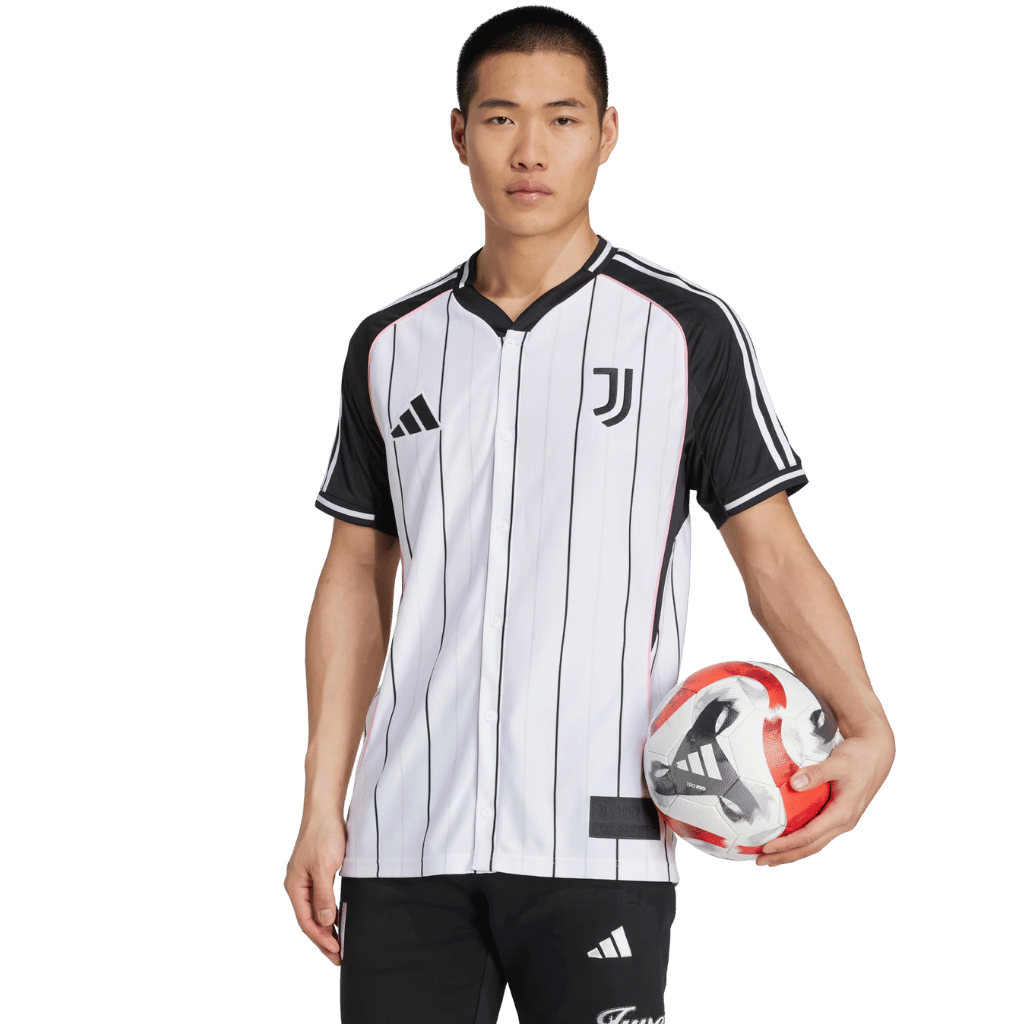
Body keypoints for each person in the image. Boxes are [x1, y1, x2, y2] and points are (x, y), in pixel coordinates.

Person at [283, 6, 896, 1022]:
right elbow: (354, 572)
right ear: (458, 134)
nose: (530, 150)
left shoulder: (686, 331)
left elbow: (771, 553)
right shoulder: (389, 344)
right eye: (500, 118)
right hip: (404, 840)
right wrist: (320, 803)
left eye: (562, 119)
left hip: (602, 841)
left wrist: (866, 723)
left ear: (606, 133)